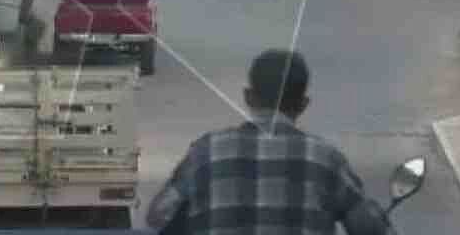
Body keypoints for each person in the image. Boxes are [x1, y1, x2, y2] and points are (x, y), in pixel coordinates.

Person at [146, 49, 393, 234]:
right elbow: (370, 228)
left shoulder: (207, 152)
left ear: (248, 97)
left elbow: (158, 216)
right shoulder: (326, 160)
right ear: (303, 104)